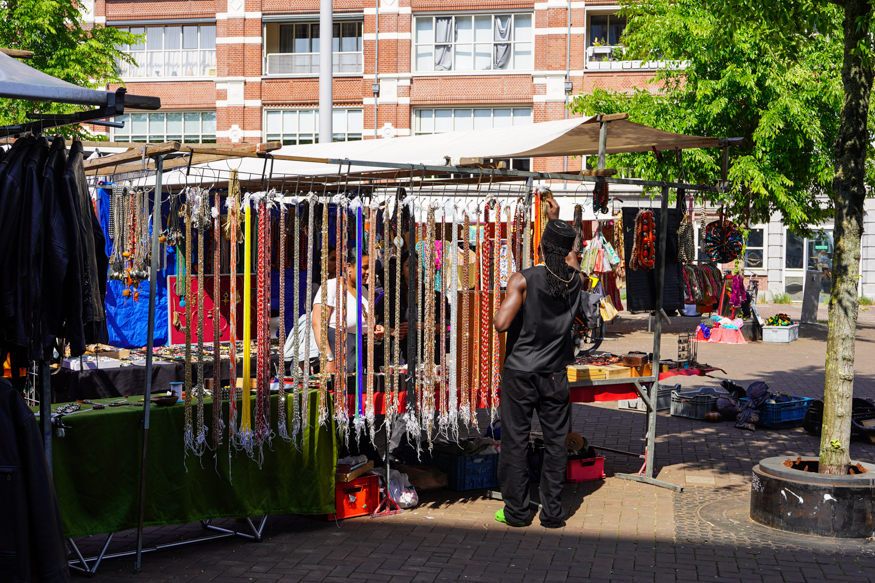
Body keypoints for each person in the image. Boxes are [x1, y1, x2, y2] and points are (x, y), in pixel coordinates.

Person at [492, 198, 585, 528]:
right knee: (556, 443)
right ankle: (552, 514)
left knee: (516, 442)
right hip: (554, 374)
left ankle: (517, 513)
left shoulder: (523, 279)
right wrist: (555, 220)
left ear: (541, 247)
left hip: (520, 372)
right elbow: (562, 265)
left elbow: (501, 324)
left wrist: (504, 300)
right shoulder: (578, 282)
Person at [310, 249, 384, 375]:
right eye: (365, 267)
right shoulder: (331, 286)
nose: (368, 272)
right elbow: (317, 324)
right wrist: (329, 358)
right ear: (349, 267)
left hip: (359, 354)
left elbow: (362, 319)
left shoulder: (364, 291)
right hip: (337, 353)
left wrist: (375, 328)